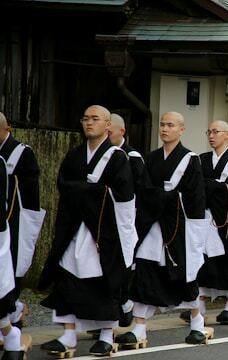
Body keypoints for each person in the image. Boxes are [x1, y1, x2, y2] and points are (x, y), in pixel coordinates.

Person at [38, 105, 136, 357]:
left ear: (107, 126)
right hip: (75, 227)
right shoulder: (74, 156)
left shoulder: (117, 158)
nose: (89, 123)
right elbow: (63, 186)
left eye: (95, 119)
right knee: (68, 278)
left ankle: (106, 334)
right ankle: (68, 334)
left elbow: (124, 199)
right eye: (85, 118)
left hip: (104, 230)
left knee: (104, 281)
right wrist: (88, 190)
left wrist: (126, 237)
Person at [116, 111, 212, 348]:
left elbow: (196, 197)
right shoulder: (152, 157)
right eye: (162, 124)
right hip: (153, 224)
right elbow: (144, 189)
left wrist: (193, 229)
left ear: (181, 129)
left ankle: (197, 324)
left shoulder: (190, 159)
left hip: (178, 226)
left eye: (170, 125)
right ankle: (139, 329)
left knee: (183, 275)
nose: (164, 129)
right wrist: (161, 198)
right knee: (144, 272)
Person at [191, 120, 228, 325]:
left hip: (227, 219)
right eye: (209, 131)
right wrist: (214, 187)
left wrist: (212, 187)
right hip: (205, 215)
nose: (211, 135)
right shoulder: (201, 159)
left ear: (227, 135)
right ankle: (201, 302)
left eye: (216, 132)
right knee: (204, 258)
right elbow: (196, 186)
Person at [0, 112, 44, 344]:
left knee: (10, 268)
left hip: (14, 219)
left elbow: (30, 192)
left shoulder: (21, 153)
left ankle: (11, 315)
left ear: (6, 129)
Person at [108, 113, 147, 328]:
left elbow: (140, 193)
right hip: (103, 219)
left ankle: (124, 304)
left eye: (109, 132)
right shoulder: (102, 155)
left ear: (121, 132)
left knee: (124, 266)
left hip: (127, 219)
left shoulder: (132, 157)